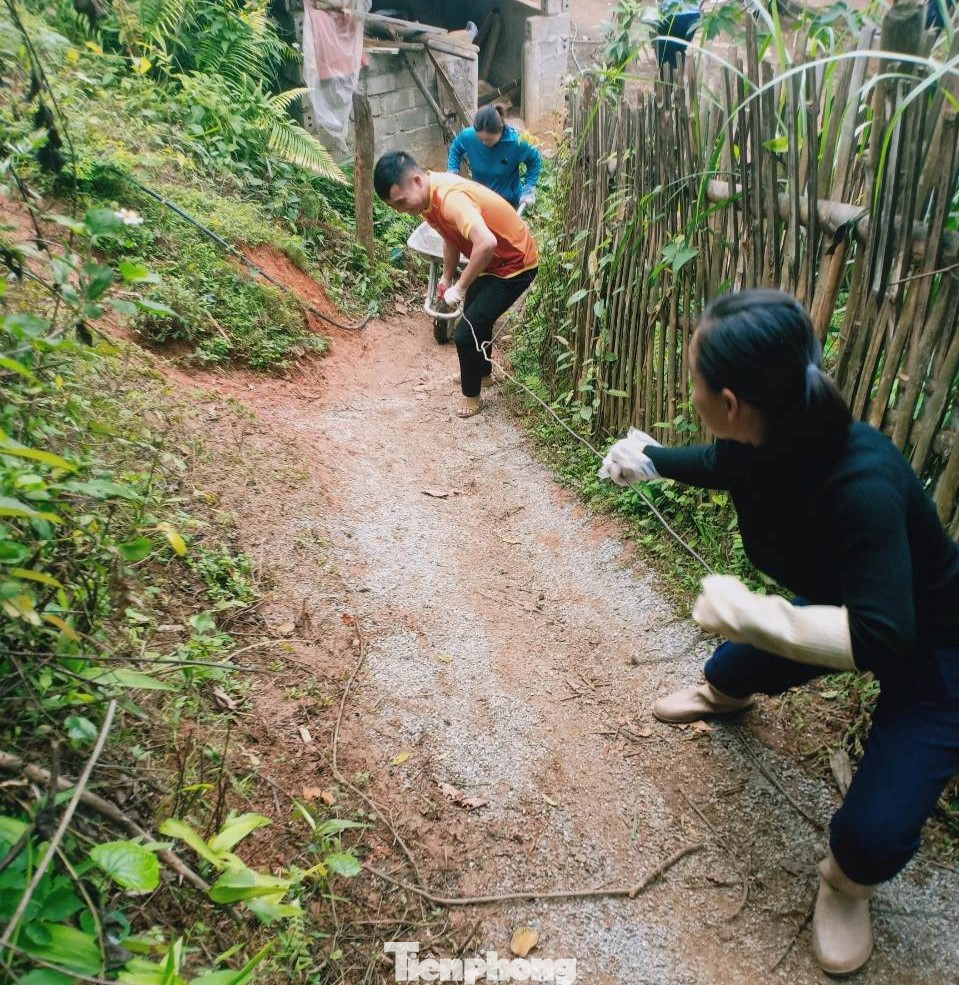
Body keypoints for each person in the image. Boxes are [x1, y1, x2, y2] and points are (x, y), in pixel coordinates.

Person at [599, 289, 959, 976]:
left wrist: (754, 613)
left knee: (870, 836)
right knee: (728, 669)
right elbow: (716, 464)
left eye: (693, 379)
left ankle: (844, 884)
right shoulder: (767, 432)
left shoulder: (864, 480)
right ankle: (724, 696)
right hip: (840, 606)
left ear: (730, 401)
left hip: (934, 649)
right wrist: (651, 458)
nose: (690, 389)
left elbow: (884, 635)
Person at [374, 150, 538, 418]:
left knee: (464, 333)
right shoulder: (428, 199)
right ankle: (483, 375)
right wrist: (447, 276)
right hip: (492, 263)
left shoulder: (450, 198)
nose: (403, 211)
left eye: (402, 202)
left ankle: (471, 396)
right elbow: (450, 235)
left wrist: (460, 287)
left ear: (416, 180)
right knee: (476, 316)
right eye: (396, 207)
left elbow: (486, 243)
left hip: (516, 264)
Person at [447, 105, 542, 211]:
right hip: (480, 200)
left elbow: (535, 160)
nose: (484, 143)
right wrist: (452, 170)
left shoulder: (517, 143)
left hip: (507, 203)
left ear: (500, 129)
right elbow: (456, 148)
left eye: (488, 139)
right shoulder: (468, 136)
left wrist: (529, 187)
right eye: (480, 139)